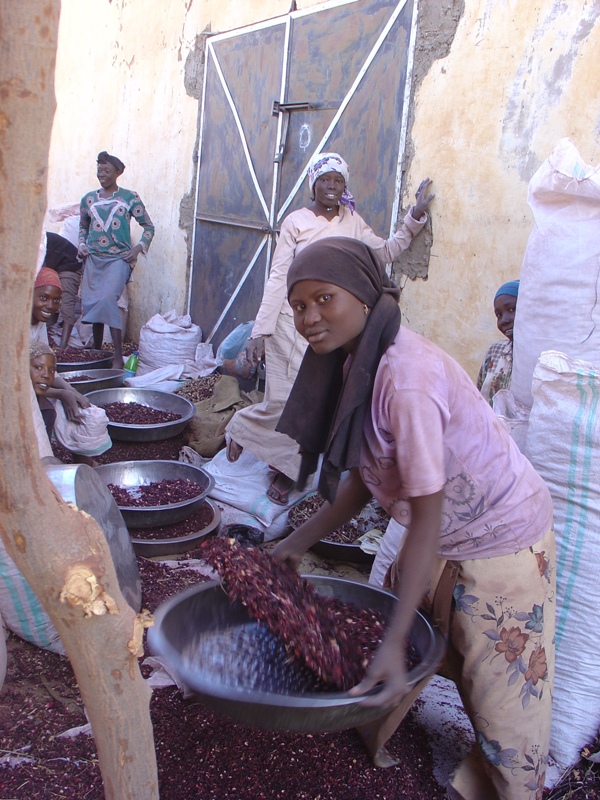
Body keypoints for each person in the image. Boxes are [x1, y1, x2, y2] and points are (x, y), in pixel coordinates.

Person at [272, 238, 554, 800]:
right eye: (299, 305)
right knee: (408, 630)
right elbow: (362, 479)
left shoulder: (406, 379)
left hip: (501, 534)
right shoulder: (358, 360)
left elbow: (427, 516)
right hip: (446, 527)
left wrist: (391, 640)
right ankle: (376, 732)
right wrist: (294, 543)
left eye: (324, 299)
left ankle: (510, 788)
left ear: (366, 296)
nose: (309, 318)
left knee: (502, 690)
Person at [226, 151, 434, 506]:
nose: (332, 187)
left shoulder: (352, 222)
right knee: (281, 399)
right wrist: (260, 331)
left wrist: (413, 219)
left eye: (339, 181)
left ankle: (285, 470)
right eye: (326, 180)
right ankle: (243, 427)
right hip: (292, 321)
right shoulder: (296, 222)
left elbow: (382, 253)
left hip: (328, 323)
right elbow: (278, 276)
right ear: (314, 185)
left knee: (309, 400)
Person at [78, 151, 155, 368]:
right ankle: (97, 350)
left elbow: (149, 226)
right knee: (93, 302)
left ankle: (117, 356)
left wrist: (138, 248)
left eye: (107, 170)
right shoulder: (89, 199)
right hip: (93, 258)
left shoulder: (130, 198)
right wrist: (82, 245)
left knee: (107, 300)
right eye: (99, 170)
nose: (101, 174)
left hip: (119, 259)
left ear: (118, 172)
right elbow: (83, 226)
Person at [28, 341, 111, 467]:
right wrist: (62, 393)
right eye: (38, 368)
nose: (45, 375)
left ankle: (81, 456)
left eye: (51, 371)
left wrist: (69, 391)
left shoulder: (47, 412)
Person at [31, 267, 90, 421]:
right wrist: (61, 394)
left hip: (26, 383)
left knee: (48, 413)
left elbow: (45, 366)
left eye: (56, 300)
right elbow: (15, 377)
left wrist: (69, 388)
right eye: (43, 298)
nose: (50, 306)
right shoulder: (13, 327)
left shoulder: (39, 324)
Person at [477, 279, 519, 405]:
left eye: (512, 309)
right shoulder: (495, 351)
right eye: (498, 315)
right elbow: (478, 395)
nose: (503, 320)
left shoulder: (545, 357)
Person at [41, 231, 83, 349]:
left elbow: (40, 270)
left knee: (65, 303)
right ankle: (46, 337)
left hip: (70, 265)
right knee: (47, 300)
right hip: (54, 265)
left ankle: (62, 348)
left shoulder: (37, 242)